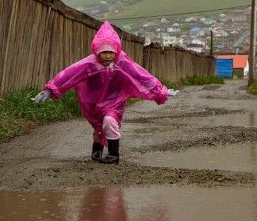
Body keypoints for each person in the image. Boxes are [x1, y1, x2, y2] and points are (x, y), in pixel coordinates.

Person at [32, 21, 178, 164]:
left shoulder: (123, 63)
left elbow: (142, 76)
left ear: (116, 51)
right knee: (99, 125)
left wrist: (161, 91)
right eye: (104, 53)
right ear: (97, 51)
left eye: (111, 52)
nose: (108, 56)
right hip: (93, 103)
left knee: (109, 122)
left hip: (115, 102)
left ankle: (114, 155)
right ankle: (97, 152)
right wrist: (50, 90)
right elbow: (69, 74)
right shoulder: (89, 63)